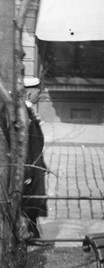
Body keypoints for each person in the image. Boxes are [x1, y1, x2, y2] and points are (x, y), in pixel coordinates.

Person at [20, 76, 47, 238]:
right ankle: (29, 233)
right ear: (29, 94)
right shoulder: (25, 115)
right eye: (38, 93)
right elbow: (26, 146)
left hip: (36, 165)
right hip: (30, 167)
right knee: (30, 200)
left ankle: (33, 231)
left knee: (35, 200)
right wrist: (27, 172)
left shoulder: (29, 111)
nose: (40, 96)